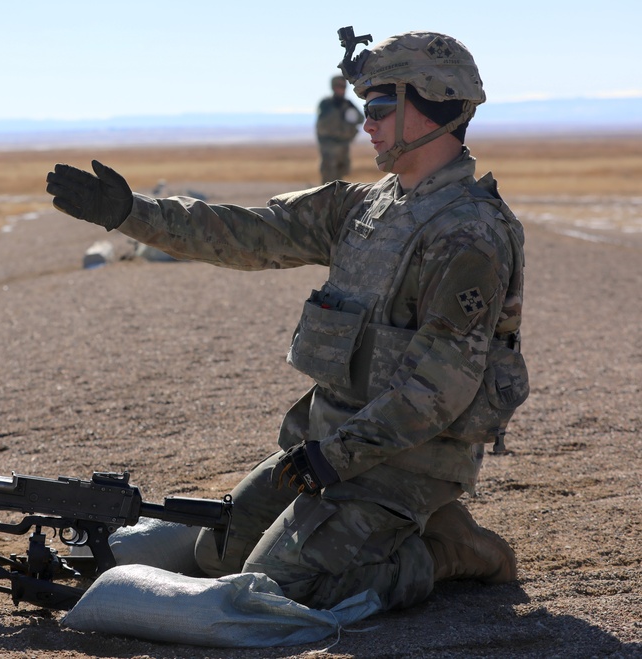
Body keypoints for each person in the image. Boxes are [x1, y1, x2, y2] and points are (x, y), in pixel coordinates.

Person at [45, 28, 528, 614]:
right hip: (329, 445)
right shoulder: (362, 208)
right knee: (219, 556)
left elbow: (439, 390)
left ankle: (449, 550)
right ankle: (406, 525)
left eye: (378, 107)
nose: (365, 123)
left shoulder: (468, 232)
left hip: (406, 460)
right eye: (363, 108)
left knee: (285, 591)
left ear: (433, 107)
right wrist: (130, 213)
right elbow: (249, 233)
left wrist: (333, 460)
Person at [316, 74, 364, 183]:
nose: (341, 89)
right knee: (328, 176)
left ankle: (337, 198)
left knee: (341, 174)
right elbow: (322, 125)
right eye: (339, 86)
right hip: (329, 145)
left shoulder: (348, 104)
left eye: (343, 87)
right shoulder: (326, 104)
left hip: (343, 145)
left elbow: (360, 118)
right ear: (333, 87)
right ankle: (326, 198)